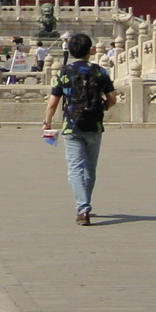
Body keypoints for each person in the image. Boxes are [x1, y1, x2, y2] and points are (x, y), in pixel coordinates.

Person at [42, 33, 116, 227]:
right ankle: (85, 205)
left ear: (71, 50)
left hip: (72, 126)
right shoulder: (100, 72)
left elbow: (52, 103)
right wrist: (102, 108)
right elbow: (112, 99)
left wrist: (47, 123)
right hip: (95, 125)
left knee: (75, 168)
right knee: (90, 168)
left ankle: (82, 209)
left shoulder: (64, 72)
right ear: (90, 50)